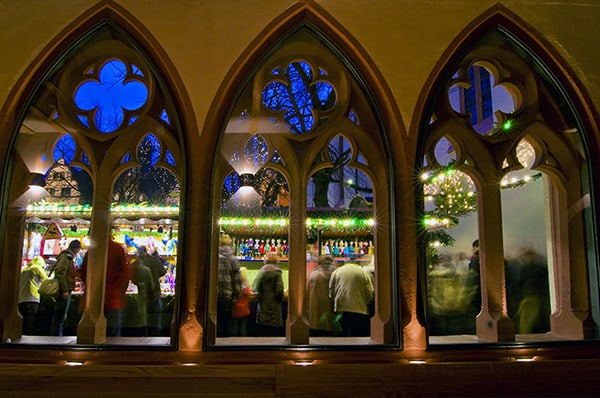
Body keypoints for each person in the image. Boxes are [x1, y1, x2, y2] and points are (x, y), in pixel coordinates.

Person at [80, 235, 130, 337]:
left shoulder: (92, 251)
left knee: (90, 335)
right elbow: (125, 274)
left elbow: (84, 273)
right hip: (113, 299)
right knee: (112, 339)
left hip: (92, 299)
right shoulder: (117, 249)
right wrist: (119, 290)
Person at [328, 261, 374, 337]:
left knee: (343, 331)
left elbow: (331, 290)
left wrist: (335, 300)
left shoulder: (337, 271)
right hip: (359, 308)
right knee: (356, 331)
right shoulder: (363, 272)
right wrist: (367, 301)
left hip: (341, 307)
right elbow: (369, 290)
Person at [50, 239, 82, 336]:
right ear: (76, 249)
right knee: (60, 317)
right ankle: (56, 339)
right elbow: (60, 273)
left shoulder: (67, 256)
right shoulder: (66, 257)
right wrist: (64, 290)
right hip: (63, 290)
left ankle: (57, 337)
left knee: (61, 317)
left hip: (65, 289)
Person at [136, 245, 166, 336]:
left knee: (143, 318)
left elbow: (132, 276)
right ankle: (156, 338)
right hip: (155, 292)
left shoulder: (138, 263)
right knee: (156, 319)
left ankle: (143, 338)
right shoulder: (154, 260)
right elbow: (163, 271)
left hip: (143, 294)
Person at [253, 253, 284, 336]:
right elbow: (279, 290)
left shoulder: (261, 271)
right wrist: (280, 299)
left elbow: (255, 287)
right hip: (274, 304)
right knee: (274, 331)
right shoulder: (277, 272)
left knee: (263, 328)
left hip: (263, 303)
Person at [217, 234, 241, 337]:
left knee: (214, 321)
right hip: (227, 295)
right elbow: (236, 279)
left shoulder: (214, 256)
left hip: (214, 294)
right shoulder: (233, 258)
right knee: (226, 323)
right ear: (230, 244)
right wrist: (237, 294)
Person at [306, 255, 336, 336]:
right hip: (328, 309)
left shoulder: (313, 274)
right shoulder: (333, 273)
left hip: (313, 309)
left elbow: (306, 291)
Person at [18, 256, 48, 335]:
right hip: (32, 298)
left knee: (23, 320)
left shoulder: (24, 269)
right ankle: (29, 338)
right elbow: (46, 280)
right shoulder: (37, 268)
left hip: (21, 298)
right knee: (31, 320)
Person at [131, 248, 156, 336]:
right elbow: (152, 285)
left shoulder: (133, 268)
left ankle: (138, 330)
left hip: (138, 294)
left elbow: (132, 280)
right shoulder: (147, 269)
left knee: (139, 312)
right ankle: (144, 330)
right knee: (144, 313)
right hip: (145, 295)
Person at [230, 267, 252, 337]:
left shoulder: (234, 282)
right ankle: (243, 342)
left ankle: (233, 343)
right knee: (243, 328)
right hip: (244, 309)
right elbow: (248, 293)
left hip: (236, 308)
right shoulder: (245, 283)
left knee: (234, 327)